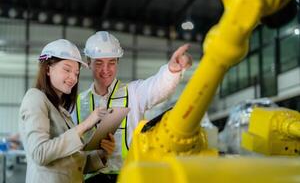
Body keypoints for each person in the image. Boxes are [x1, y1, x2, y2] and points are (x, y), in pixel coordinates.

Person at [72, 31, 193, 183]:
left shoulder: (134, 93)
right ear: (88, 63)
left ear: (117, 63)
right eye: (99, 63)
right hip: (91, 179)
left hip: (130, 176)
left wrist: (172, 71)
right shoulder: (76, 103)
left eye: (111, 62)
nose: (106, 69)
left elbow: (158, 87)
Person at [19, 39, 116, 183]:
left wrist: (102, 154)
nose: (73, 78)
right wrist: (85, 124)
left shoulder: (60, 110)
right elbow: (40, 153)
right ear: (47, 69)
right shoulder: (35, 97)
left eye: (76, 73)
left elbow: (71, 165)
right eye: (67, 69)